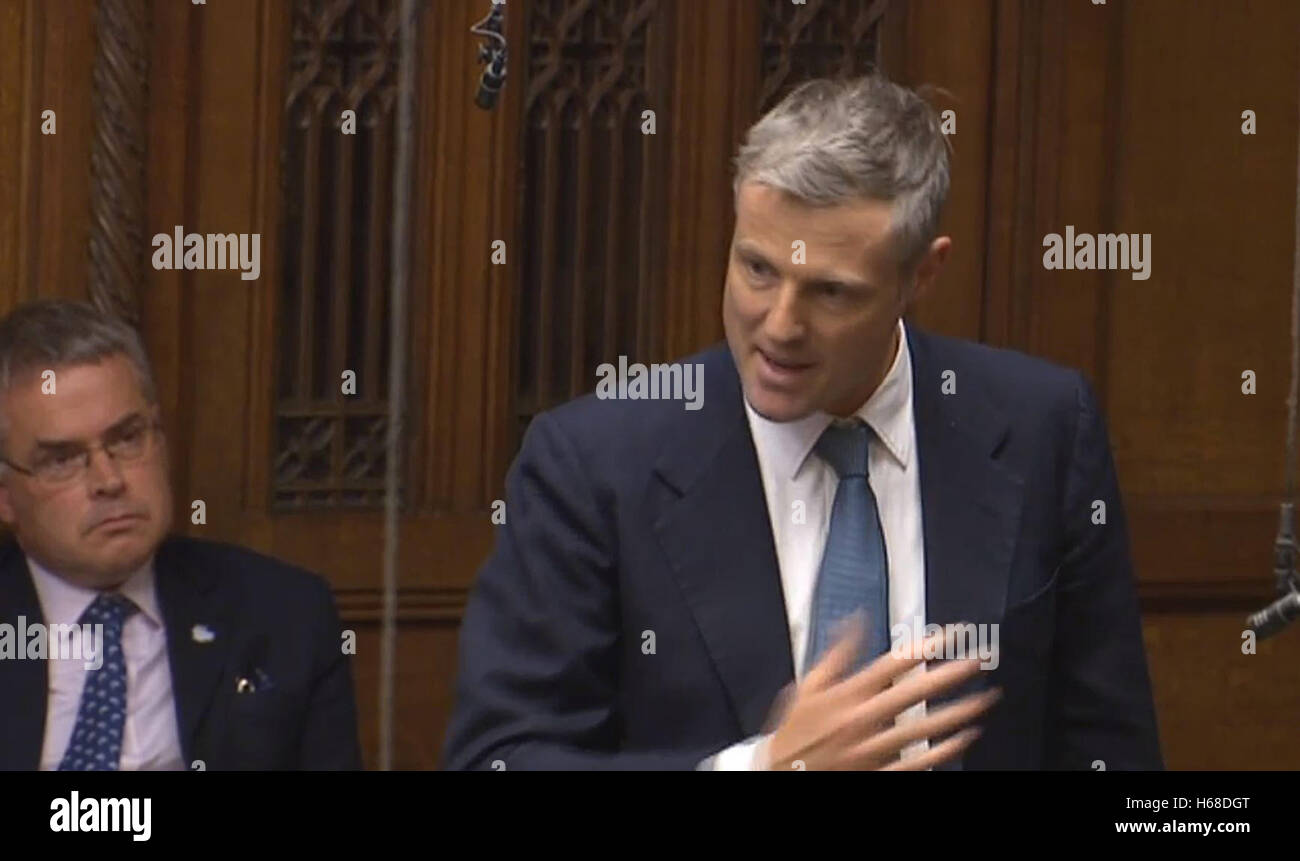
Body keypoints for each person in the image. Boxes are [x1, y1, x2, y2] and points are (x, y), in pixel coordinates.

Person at [442, 74, 1162, 770]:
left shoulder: (1043, 430)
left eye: (830, 292)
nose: (779, 326)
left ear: (922, 276)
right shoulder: (595, 463)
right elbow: (499, 757)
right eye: (757, 269)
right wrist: (767, 767)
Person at [0, 299, 361, 770]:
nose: (109, 480)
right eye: (63, 459)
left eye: (128, 438)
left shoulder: (283, 614)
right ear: (6, 496)